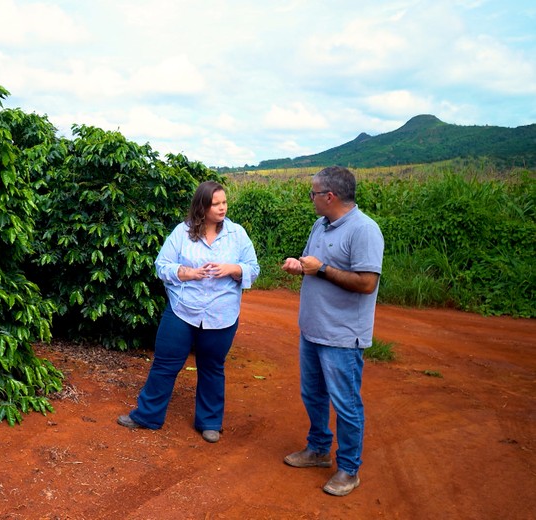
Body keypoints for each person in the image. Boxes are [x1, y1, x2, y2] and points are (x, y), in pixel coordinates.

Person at [118, 180, 259, 443]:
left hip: (221, 314)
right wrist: (187, 273)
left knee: (212, 367)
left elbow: (253, 267)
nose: (222, 208)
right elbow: (162, 265)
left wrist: (233, 269)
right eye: (215, 204)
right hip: (183, 310)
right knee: (165, 363)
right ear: (201, 207)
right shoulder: (182, 233)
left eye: (224, 202)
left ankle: (209, 422)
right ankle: (147, 415)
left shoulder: (237, 234)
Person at [280, 166, 384, 496]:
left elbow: (368, 283)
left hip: (341, 335)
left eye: (313, 194)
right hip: (312, 329)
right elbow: (316, 266)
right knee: (313, 394)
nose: (310, 199)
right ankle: (318, 450)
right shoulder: (320, 224)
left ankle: (349, 470)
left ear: (330, 196)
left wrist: (322, 269)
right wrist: (302, 267)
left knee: (345, 403)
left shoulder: (364, 230)